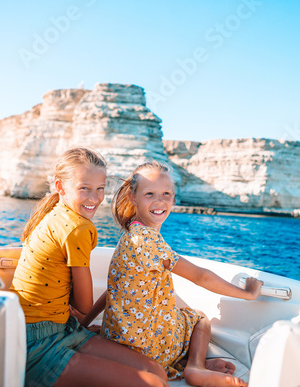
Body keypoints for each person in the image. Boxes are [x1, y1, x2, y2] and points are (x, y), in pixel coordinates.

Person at [10, 148, 168, 387]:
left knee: (157, 372)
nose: (94, 198)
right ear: (61, 187)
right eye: (84, 188)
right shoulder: (78, 229)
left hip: (60, 328)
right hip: (37, 344)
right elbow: (83, 306)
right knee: (155, 382)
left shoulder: (56, 213)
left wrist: (79, 326)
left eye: (100, 189)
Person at [100, 161, 263, 387]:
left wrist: (87, 319)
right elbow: (201, 277)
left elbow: (113, 287)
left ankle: (192, 363)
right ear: (133, 197)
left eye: (166, 193)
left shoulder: (130, 234)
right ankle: (195, 366)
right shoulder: (149, 242)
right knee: (199, 318)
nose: (159, 201)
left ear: (174, 198)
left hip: (121, 340)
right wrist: (247, 294)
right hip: (149, 347)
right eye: (150, 194)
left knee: (174, 314)